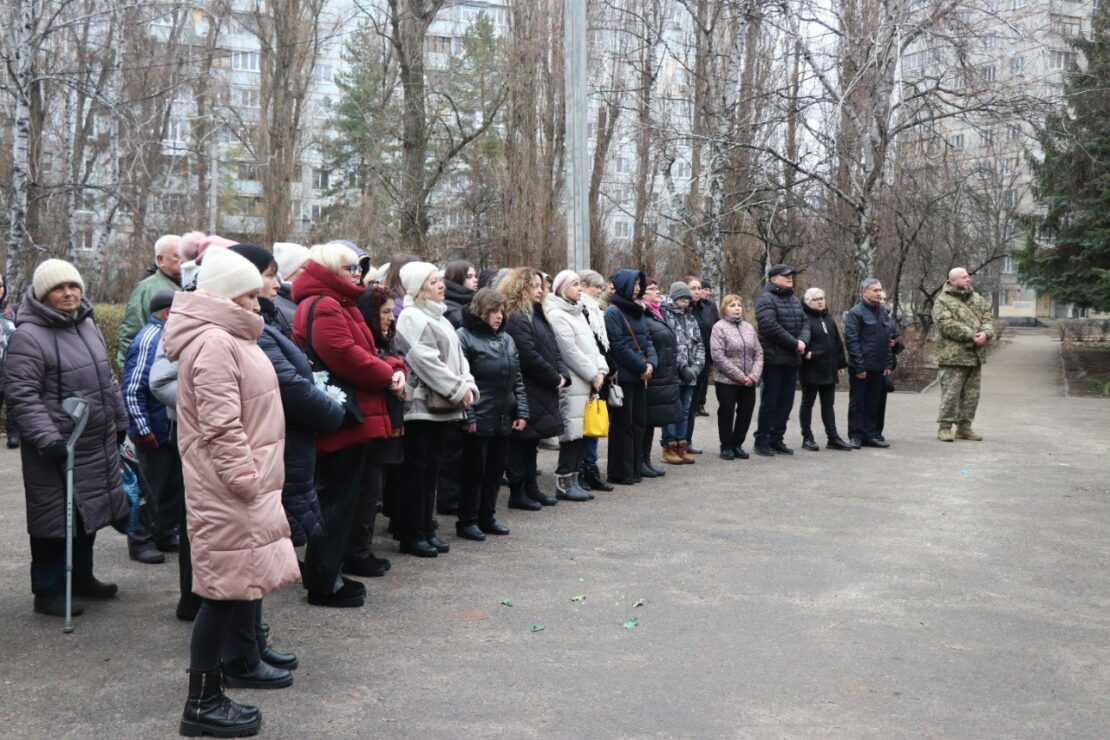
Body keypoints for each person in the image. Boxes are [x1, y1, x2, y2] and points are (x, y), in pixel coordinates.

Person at [163, 247, 301, 736]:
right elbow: (222, 428)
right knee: (220, 592)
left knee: (235, 585)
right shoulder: (215, 343)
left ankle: (227, 676)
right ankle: (201, 703)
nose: (259, 302)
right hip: (229, 490)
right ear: (226, 296)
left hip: (242, 488)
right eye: (249, 294)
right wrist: (248, 481)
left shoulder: (228, 336)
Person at [5, 259, 130, 618]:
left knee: (88, 512)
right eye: (59, 288)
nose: (69, 293)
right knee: (54, 519)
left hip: (95, 442)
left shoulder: (88, 325)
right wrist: (48, 439)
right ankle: (47, 591)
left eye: (73, 286)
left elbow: (108, 379)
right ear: (44, 294)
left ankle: (82, 578)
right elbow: (21, 395)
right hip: (59, 445)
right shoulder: (28, 336)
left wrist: (119, 421)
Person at [293, 243, 405, 605]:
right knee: (336, 501)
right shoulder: (325, 304)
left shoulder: (336, 302)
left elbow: (370, 350)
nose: (357, 273)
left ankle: (328, 575)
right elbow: (344, 355)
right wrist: (389, 376)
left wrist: (392, 369)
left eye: (358, 268)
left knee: (342, 499)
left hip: (351, 413)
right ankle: (324, 583)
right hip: (343, 416)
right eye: (349, 268)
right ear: (328, 270)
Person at [231, 244, 345, 578]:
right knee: (248, 557)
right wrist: (333, 411)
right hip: (271, 444)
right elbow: (289, 385)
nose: (277, 284)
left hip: (285, 441)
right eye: (269, 276)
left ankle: (248, 626)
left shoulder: (266, 319)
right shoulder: (249, 329)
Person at [393, 262, 478, 556]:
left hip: (443, 408)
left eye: (440, 280)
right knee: (416, 473)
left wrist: (468, 384)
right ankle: (412, 533)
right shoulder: (411, 317)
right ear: (418, 289)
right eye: (433, 282)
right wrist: (457, 389)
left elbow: (459, 358)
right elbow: (424, 360)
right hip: (421, 409)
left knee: (432, 470)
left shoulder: (440, 317)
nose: (441, 285)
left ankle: (425, 527)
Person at [456, 288, 528, 538]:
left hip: (502, 415)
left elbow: (516, 377)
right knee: (474, 472)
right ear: (481, 312)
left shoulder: (507, 339)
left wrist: (521, 411)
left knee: (495, 471)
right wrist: (470, 415)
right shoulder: (464, 336)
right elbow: (462, 380)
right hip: (479, 414)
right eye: (493, 312)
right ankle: (467, 520)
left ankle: (488, 516)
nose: (499, 317)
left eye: (501, 312)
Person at [500, 267, 568, 508]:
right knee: (520, 442)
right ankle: (518, 493)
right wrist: (554, 378)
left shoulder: (538, 314)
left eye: (542, 286)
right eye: (534, 285)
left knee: (531, 442)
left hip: (541, 388)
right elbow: (527, 355)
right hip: (528, 388)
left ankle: (532, 488)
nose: (540, 290)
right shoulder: (518, 317)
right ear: (520, 287)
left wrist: (563, 374)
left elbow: (554, 349)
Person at [121, 291, 181, 564]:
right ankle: (140, 540)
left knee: (171, 487)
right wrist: (142, 430)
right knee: (147, 490)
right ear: (169, 313)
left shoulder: (171, 336)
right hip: (152, 431)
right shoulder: (149, 338)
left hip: (169, 429)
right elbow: (132, 390)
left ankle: (164, 533)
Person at [355, 285, 406, 573]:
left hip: (386, 419)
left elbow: (395, 360)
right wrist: (393, 368)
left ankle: (363, 547)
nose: (391, 318)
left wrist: (397, 368)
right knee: (368, 491)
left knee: (374, 488)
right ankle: (359, 551)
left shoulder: (386, 338)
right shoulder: (367, 339)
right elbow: (374, 362)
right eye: (385, 312)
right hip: (372, 423)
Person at [544, 271, 607, 500]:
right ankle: (563, 481)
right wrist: (593, 374)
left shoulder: (578, 312)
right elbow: (569, 351)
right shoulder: (557, 314)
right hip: (574, 381)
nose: (580, 288)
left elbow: (592, 345)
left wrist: (601, 369)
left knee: (583, 433)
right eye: (574, 284)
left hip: (589, 381)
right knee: (572, 433)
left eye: (580, 284)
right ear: (561, 288)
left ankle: (574, 478)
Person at [604, 269, 657, 485]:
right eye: (633, 284)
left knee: (638, 424)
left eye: (639, 284)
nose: (637, 288)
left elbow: (648, 341)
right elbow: (619, 346)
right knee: (622, 426)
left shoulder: (638, 310)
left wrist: (652, 363)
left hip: (640, 376)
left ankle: (635, 469)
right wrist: (642, 366)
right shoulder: (613, 312)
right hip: (625, 377)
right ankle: (621, 471)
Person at [435, 260, 478, 518]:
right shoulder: (452, 309)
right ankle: (448, 500)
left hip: (467, 382)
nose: (474, 280)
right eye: (469, 276)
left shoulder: (466, 304)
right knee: (451, 451)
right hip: (452, 387)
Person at [753, 264, 810, 456]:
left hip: (792, 359)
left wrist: (803, 340)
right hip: (774, 359)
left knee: (786, 402)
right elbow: (769, 326)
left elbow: (805, 322)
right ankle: (762, 440)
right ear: (773, 278)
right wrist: (795, 343)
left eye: (791, 275)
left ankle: (777, 438)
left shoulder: (794, 299)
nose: (789, 278)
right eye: (785, 275)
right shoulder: (766, 299)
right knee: (771, 401)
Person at [932, 267, 994, 442]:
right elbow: (945, 324)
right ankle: (944, 428)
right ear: (953, 281)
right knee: (951, 394)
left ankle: (964, 427)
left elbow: (988, 319)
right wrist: (972, 334)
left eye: (968, 277)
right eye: (964, 277)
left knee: (971, 395)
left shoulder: (978, 299)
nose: (968, 280)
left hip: (974, 356)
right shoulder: (943, 301)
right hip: (953, 357)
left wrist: (986, 333)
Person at [798, 288, 853, 451]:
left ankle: (833, 437)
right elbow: (798, 340)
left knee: (828, 404)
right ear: (808, 302)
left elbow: (837, 342)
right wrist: (806, 355)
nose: (821, 301)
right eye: (816, 299)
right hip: (811, 368)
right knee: (808, 403)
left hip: (829, 368)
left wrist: (841, 363)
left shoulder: (828, 317)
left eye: (822, 298)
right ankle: (807, 437)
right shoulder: (803, 318)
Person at [117, 234, 183, 367]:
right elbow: (131, 334)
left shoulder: (189, 285)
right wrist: (130, 372)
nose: (184, 260)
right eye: (177, 256)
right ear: (160, 259)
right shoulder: (146, 288)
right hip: (152, 370)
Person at [710, 294, 763, 460]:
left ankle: (737, 444)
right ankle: (726, 446)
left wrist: (753, 376)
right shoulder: (719, 327)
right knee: (726, 412)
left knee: (746, 412)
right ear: (724, 309)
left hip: (749, 381)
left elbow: (759, 352)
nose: (737, 308)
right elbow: (718, 356)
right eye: (732, 305)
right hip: (727, 380)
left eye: (739, 305)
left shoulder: (748, 327)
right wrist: (740, 376)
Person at [843, 277, 894, 448]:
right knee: (858, 402)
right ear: (864, 292)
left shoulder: (884, 312)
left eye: (880, 290)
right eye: (875, 290)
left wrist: (888, 363)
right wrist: (859, 366)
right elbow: (852, 341)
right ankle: (855, 435)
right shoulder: (855, 313)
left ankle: (869, 434)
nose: (879, 293)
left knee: (873, 403)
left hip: (879, 366)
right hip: (862, 366)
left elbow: (887, 340)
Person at [576, 269, 614, 492]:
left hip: (601, 373)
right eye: (596, 287)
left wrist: (607, 368)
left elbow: (603, 344)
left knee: (594, 423)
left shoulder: (598, 311)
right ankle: (582, 469)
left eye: (601, 288)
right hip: (588, 375)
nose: (599, 291)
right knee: (584, 426)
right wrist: (595, 372)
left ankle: (591, 469)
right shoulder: (583, 310)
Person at [659, 281, 705, 465]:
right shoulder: (665, 315)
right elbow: (668, 345)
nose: (685, 299)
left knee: (685, 411)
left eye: (687, 297)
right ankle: (668, 446)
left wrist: (695, 368)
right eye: (681, 296)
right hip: (673, 374)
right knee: (671, 410)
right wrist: (682, 367)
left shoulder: (691, 318)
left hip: (690, 375)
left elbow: (699, 344)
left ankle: (681, 444)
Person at [640, 278, 680, 478]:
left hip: (664, 373)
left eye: (657, 288)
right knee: (645, 421)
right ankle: (640, 460)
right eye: (651, 288)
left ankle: (646, 459)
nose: (657, 291)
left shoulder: (658, 312)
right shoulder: (642, 313)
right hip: (652, 374)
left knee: (651, 421)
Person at [688, 278, 718, 433]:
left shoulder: (707, 308)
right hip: (686, 362)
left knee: (692, 405)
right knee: (683, 404)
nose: (698, 291)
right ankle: (673, 443)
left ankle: (687, 441)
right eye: (693, 288)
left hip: (704, 358)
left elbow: (714, 329)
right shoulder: (682, 310)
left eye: (699, 288)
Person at [875, 290, 904, 442]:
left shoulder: (888, 319)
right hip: (870, 365)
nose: (882, 301)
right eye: (880, 298)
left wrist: (895, 343)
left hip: (885, 367)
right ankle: (863, 432)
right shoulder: (861, 314)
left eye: (884, 299)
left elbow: (900, 346)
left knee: (881, 403)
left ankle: (878, 432)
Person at [0, 269, 20, 448]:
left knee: (13, 402)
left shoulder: (11, 311)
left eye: (0, 285)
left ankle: (13, 434)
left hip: (10, 366)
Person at [273, 241, 311, 326]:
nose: (310, 272)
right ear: (288, 269)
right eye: (304, 267)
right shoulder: (273, 300)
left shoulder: (305, 297)